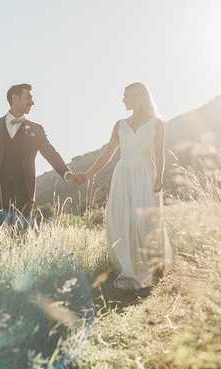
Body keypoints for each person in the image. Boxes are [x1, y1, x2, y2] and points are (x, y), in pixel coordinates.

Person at [76, 82, 173, 290]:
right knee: (124, 220)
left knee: (147, 221)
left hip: (147, 175)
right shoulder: (120, 125)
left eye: (126, 96)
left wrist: (160, 177)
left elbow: (160, 154)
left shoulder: (157, 124)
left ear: (138, 97)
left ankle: (156, 268)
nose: (122, 100)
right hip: (123, 177)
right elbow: (108, 154)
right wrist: (87, 173)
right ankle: (129, 268)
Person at [0, 83, 80, 248]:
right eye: (28, 98)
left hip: (24, 194)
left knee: (19, 243)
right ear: (15, 98)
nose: (32, 103)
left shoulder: (36, 129)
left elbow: (51, 153)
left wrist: (67, 174)